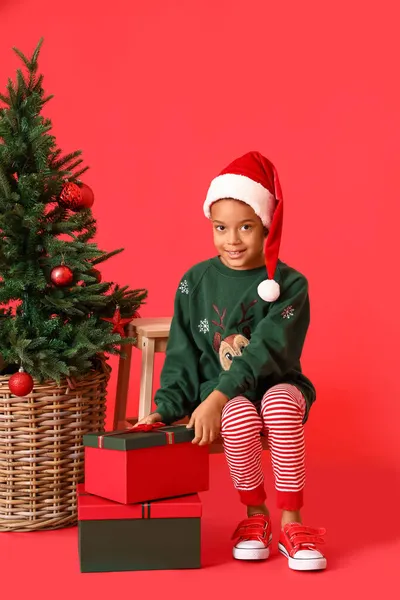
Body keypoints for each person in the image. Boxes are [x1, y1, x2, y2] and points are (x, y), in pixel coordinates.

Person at [135, 151, 326, 571]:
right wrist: (166, 407)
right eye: (221, 228)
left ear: (267, 226)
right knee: (237, 416)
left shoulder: (290, 285)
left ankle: (292, 522)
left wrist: (215, 398)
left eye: (245, 227)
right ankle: (255, 517)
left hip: (278, 384)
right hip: (226, 398)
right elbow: (183, 353)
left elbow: (267, 349)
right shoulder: (194, 282)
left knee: (274, 403)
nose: (232, 240)